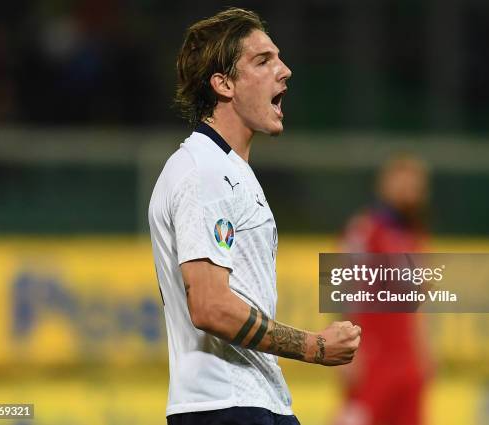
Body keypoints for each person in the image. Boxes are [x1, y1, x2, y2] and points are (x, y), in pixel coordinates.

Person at [148, 8, 361, 425]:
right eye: (262, 61)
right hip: (227, 407)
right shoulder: (205, 173)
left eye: (278, 58)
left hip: (249, 403)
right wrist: (314, 347)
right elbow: (210, 306)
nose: (285, 71)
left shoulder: (227, 169)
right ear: (223, 84)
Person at [334, 155, 432, 425]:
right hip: (372, 357)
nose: (411, 192)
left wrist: (425, 350)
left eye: (416, 186)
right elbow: (341, 287)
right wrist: (346, 353)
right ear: (385, 186)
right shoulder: (365, 230)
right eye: (404, 184)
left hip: (408, 360)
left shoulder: (416, 236)